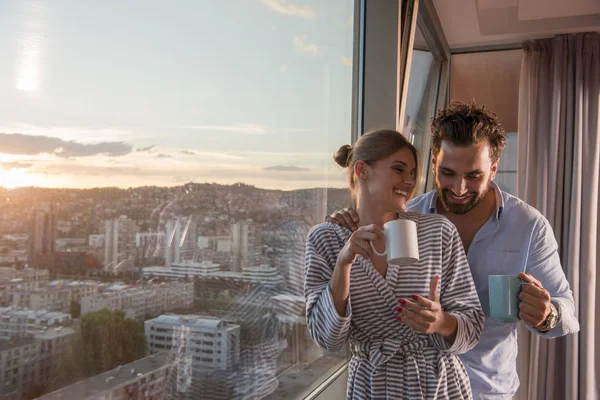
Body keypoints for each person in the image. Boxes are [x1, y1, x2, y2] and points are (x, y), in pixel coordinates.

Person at [327, 102, 580, 399]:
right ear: (434, 163)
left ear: (494, 169)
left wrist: (547, 315)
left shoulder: (529, 226)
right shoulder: (405, 217)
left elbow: (568, 313)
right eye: (448, 173)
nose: (459, 188)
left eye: (474, 176)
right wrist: (348, 220)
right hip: (417, 391)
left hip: (488, 391)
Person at [305, 129, 485, 399]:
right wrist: (344, 263)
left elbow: (472, 327)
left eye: (412, 173)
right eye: (399, 170)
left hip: (437, 386)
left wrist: (441, 322)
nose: (409, 181)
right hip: (372, 387)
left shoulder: (438, 232)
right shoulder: (326, 239)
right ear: (362, 170)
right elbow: (327, 339)